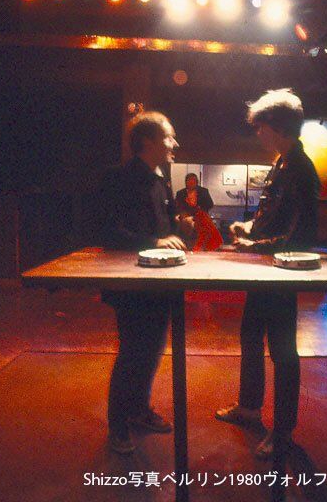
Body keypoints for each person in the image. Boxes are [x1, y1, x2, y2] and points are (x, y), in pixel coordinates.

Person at [214, 89, 320, 459]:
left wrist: (252, 245)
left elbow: (300, 237)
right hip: (265, 272)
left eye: (261, 127)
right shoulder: (283, 164)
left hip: (280, 275)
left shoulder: (301, 170)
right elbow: (275, 220)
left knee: (282, 351)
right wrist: (249, 228)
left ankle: (283, 432)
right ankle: (248, 408)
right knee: (250, 337)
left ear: (278, 128)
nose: (258, 133)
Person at [101, 111, 186, 454]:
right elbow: (109, 232)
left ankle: (138, 410)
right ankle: (118, 426)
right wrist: (154, 241)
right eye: (168, 137)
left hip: (158, 283)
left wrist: (180, 230)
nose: (174, 143)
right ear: (148, 142)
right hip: (133, 286)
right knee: (132, 353)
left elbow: (164, 229)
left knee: (151, 351)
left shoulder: (159, 179)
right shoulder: (119, 179)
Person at [174, 173, 222, 251]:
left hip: (200, 216)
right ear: (186, 182)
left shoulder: (203, 191)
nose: (191, 182)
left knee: (205, 229)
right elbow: (176, 206)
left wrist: (200, 208)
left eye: (193, 180)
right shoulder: (180, 193)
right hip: (185, 217)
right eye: (189, 180)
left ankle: (203, 247)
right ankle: (185, 246)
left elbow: (210, 204)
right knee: (185, 225)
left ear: (197, 182)